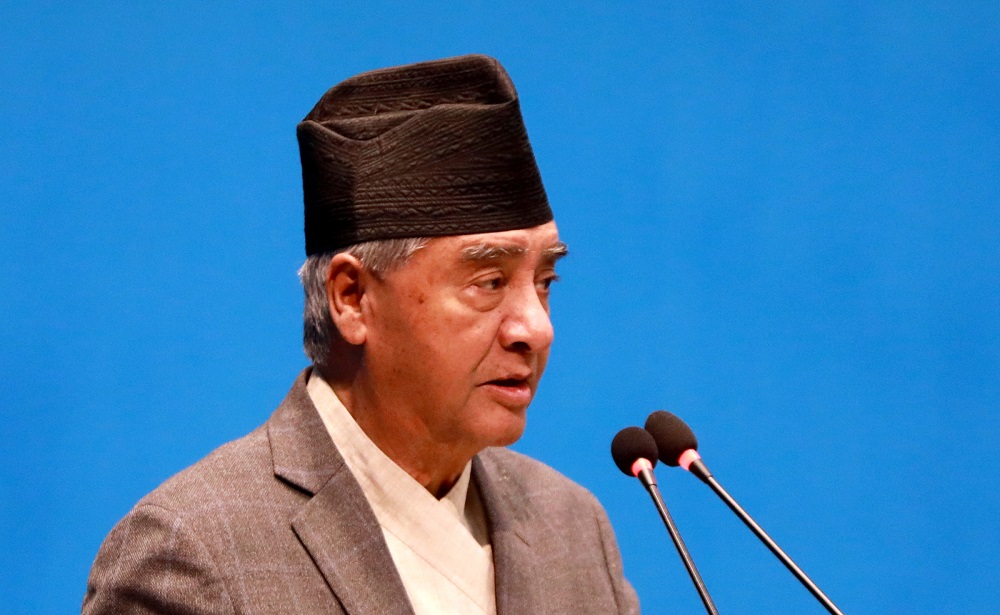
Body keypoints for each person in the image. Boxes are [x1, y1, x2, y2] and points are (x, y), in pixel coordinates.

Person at [83, 54, 640, 615]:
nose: (536, 329)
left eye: (545, 282)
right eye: (489, 282)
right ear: (352, 298)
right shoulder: (195, 553)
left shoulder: (571, 527)